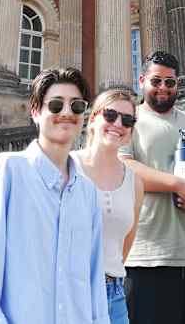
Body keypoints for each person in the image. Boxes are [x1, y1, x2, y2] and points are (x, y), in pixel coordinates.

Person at [0, 67, 110, 324]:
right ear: (35, 112)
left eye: (77, 106)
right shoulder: (6, 172)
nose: (67, 113)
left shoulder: (87, 192)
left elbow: (95, 288)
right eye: (56, 105)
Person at [120, 51, 185, 324]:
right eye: (156, 81)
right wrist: (178, 184)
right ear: (142, 80)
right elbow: (123, 168)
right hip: (149, 257)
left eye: (170, 82)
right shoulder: (127, 121)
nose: (163, 88)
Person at [72, 90, 144, 324]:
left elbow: (124, 247)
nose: (118, 124)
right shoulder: (66, 166)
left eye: (127, 120)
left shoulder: (135, 182)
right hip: (68, 292)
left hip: (114, 297)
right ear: (93, 118)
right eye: (110, 115)